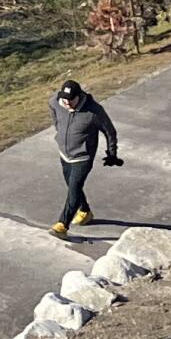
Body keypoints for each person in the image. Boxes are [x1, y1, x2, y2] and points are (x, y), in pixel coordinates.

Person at [48, 78, 122, 237]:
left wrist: (112, 154)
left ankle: (62, 225)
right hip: (64, 154)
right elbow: (52, 107)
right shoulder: (56, 101)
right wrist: (59, 129)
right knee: (73, 187)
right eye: (64, 99)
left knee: (73, 189)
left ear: (79, 96)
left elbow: (110, 132)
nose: (66, 103)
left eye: (70, 100)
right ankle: (85, 211)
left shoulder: (94, 111)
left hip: (83, 157)